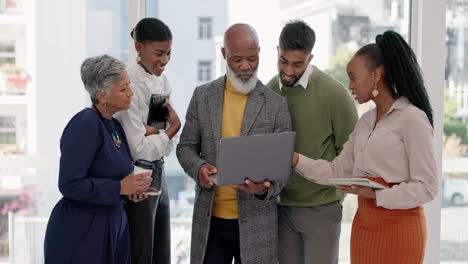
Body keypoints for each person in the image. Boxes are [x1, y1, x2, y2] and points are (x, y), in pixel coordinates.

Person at [292, 30, 439, 264]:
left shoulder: (412, 118)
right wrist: (295, 159)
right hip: (365, 225)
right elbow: (336, 171)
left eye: (353, 77)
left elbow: (427, 186)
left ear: (376, 75)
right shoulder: (366, 122)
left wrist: (378, 195)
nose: (349, 84)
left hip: (400, 227)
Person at [176, 24, 292, 264]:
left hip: (257, 224)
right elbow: (185, 146)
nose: (245, 66)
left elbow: (284, 167)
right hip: (211, 222)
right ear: (223, 54)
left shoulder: (275, 104)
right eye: (237, 59)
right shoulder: (202, 96)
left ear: (260, 52)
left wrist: (264, 189)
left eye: (252, 58)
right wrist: (199, 168)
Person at [44, 55, 154, 263]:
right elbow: (69, 184)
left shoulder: (114, 125)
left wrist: (130, 192)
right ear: (101, 95)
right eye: (123, 89)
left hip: (113, 227)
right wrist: (120, 188)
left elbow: (114, 178)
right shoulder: (85, 124)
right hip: (81, 232)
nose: (130, 93)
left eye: (129, 86)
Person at [266, 20, 358, 263]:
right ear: (277, 51)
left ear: (310, 58)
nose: (288, 70)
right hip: (281, 207)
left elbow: (351, 156)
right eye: (283, 61)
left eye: (297, 64)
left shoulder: (334, 95)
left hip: (322, 208)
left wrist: (334, 198)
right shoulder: (270, 90)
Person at [115, 17, 180, 264]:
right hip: (139, 172)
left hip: (158, 169)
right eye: (159, 53)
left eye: (169, 53)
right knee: (142, 251)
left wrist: (154, 132)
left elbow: (161, 140)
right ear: (138, 48)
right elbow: (138, 147)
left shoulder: (162, 81)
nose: (164, 60)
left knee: (161, 250)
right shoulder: (127, 84)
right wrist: (169, 130)